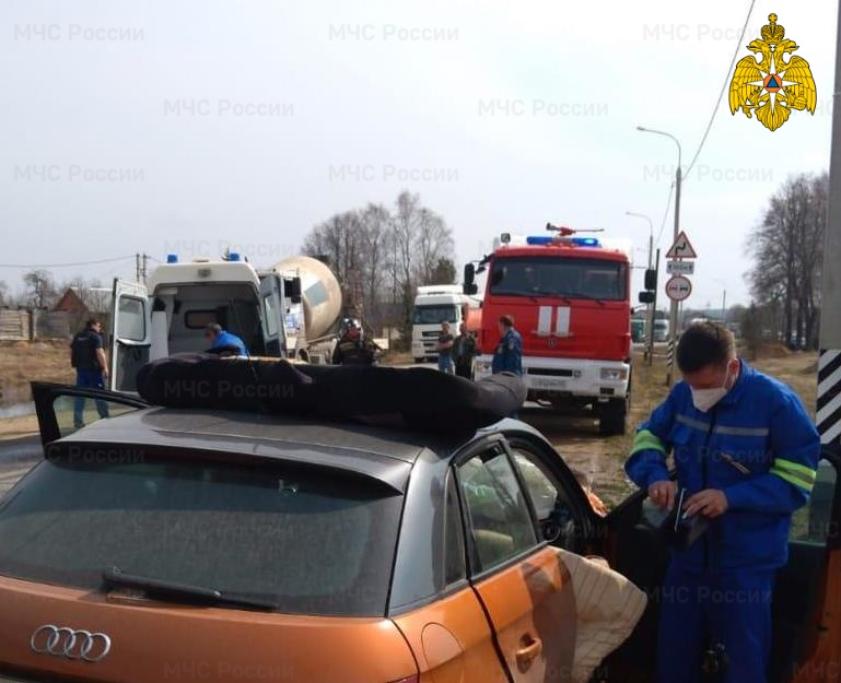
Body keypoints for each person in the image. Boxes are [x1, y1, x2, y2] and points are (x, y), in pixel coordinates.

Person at [625, 322, 820, 683]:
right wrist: (655, 476)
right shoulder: (683, 395)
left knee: (743, 661)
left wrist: (731, 498)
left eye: (705, 386)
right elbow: (648, 436)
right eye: (691, 385)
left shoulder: (776, 404)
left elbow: (798, 479)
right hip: (687, 555)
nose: (698, 395)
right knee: (674, 654)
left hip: (746, 563)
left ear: (732, 367)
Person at [70, 318, 110, 429]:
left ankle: (78, 421)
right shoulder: (95, 337)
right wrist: (105, 367)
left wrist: (75, 364)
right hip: (94, 371)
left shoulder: (78, 336)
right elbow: (99, 352)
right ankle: (105, 418)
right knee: (99, 395)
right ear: (94, 325)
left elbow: (72, 351)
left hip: (81, 370)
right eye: (99, 326)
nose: (100, 328)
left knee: (80, 396)